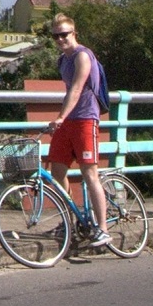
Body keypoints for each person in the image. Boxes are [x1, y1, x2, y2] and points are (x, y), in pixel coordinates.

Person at [45, 13, 111, 247]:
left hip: (85, 119)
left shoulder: (83, 56)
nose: (60, 39)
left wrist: (60, 116)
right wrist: (63, 119)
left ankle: (102, 228)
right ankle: (68, 221)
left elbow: (76, 89)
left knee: (89, 173)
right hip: (68, 120)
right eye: (56, 36)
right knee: (57, 172)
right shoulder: (63, 60)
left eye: (64, 34)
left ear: (74, 34)